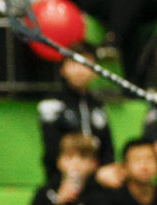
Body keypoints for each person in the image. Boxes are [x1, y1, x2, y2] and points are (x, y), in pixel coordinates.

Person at [36, 43, 117, 184]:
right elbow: (52, 150)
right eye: (73, 64)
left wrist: (106, 170)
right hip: (63, 178)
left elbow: (107, 148)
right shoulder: (51, 104)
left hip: (97, 179)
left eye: (86, 64)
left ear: (95, 71)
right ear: (62, 69)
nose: (80, 70)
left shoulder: (98, 105)